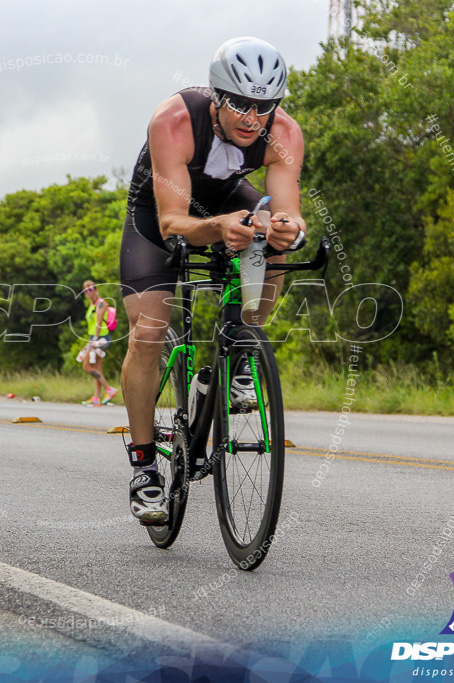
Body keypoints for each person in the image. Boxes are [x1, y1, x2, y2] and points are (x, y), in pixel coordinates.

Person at [119, 37, 307, 524]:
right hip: (160, 216)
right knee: (147, 334)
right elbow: (172, 224)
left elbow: (287, 209)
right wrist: (219, 228)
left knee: (273, 241)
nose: (252, 117)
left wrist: (287, 228)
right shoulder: (175, 121)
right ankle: (144, 467)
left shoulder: (284, 132)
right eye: (241, 104)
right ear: (218, 98)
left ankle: (239, 353)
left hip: (226, 199)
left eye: (265, 106)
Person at [77, 280, 118, 407]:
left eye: (91, 289)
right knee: (96, 368)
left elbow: (99, 323)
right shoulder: (92, 305)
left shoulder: (101, 303)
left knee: (86, 366)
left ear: (96, 289)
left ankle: (109, 389)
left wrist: (93, 341)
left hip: (100, 338)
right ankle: (96, 397)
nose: (88, 292)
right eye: (85, 290)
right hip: (94, 337)